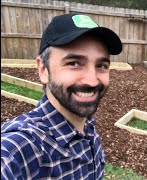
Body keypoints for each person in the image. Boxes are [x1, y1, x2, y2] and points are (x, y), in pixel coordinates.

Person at [1, 13, 122, 179]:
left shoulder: (87, 126)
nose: (92, 81)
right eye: (74, 63)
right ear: (43, 70)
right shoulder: (19, 147)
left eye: (101, 65)